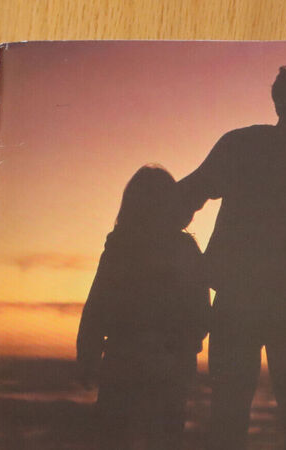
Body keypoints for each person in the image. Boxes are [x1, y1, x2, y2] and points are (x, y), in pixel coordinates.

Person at [175, 58, 286, 450]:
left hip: (252, 300)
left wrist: (146, 230)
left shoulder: (244, 143)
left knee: (232, 413)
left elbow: (188, 194)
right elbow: (191, 193)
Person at [76, 165, 210, 450]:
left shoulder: (121, 247)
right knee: (162, 438)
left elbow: (97, 306)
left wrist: (88, 355)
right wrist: (186, 347)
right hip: (165, 363)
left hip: (127, 359)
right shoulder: (182, 249)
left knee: (115, 437)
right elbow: (200, 311)